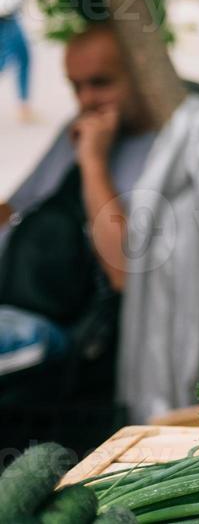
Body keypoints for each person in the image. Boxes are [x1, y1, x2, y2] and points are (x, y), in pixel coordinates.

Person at [0, 23, 155, 394]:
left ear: (140, 75)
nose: (86, 99)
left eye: (100, 83)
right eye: (76, 86)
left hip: (68, 329)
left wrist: (93, 163)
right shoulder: (80, 128)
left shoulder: (158, 150)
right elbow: (17, 207)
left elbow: (125, 272)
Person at [0, 0, 34, 123]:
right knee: (6, 60)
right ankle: (24, 106)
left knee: (23, 57)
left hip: (10, 16)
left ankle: (24, 106)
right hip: (5, 17)